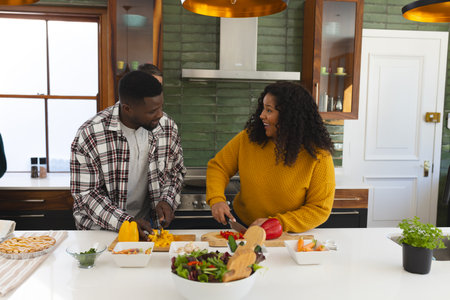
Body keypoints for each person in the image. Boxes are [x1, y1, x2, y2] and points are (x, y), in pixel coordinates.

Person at [206, 81, 335, 233]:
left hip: (287, 234)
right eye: (263, 109)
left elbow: (319, 209)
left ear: (289, 116)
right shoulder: (247, 139)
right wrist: (216, 199)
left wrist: (276, 223)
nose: (262, 115)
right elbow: (219, 167)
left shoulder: (319, 156)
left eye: (269, 110)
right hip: (244, 226)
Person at [71, 71, 186, 240]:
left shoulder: (167, 127)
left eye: (161, 106)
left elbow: (175, 172)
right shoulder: (90, 134)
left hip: (148, 228)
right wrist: (127, 222)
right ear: (127, 108)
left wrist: (167, 199)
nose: (160, 114)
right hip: (100, 232)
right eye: (153, 110)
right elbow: (87, 194)